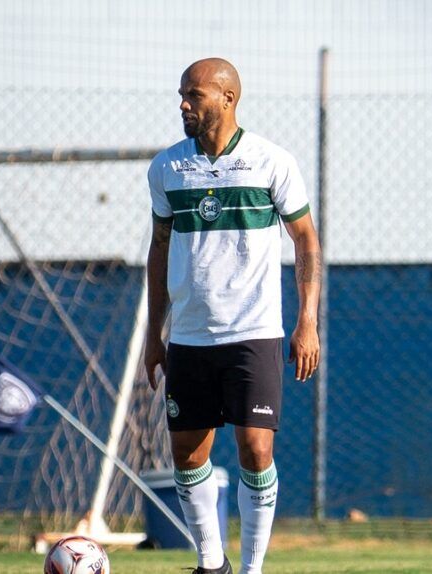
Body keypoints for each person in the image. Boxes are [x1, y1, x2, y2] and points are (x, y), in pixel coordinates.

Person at [144, 58, 322, 574]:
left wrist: (307, 321)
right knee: (187, 454)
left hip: (254, 331)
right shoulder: (166, 168)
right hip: (190, 336)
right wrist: (156, 333)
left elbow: (305, 239)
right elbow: (160, 248)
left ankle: (252, 569)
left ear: (227, 98)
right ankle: (211, 564)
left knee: (256, 450)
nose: (183, 104)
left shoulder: (272, 162)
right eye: (182, 94)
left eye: (194, 95)